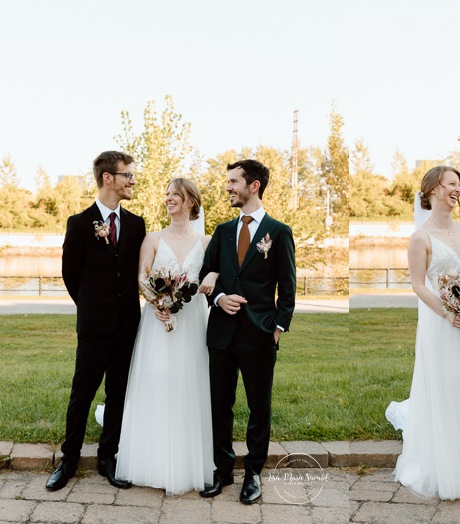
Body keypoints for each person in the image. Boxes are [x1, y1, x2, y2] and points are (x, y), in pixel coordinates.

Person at [385, 166, 460, 500]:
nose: (458, 190)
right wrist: (448, 313)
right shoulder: (420, 238)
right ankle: (445, 467)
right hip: (440, 324)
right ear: (433, 188)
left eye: (459, 185)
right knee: (447, 387)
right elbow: (417, 285)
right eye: (452, 184)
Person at [47, 151, 146, 491]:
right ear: (108, 178)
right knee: (82, 394)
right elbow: (70, 275)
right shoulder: (79, 223)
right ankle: (68, 460)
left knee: (118, 394)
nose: (132, 180)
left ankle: (108, 458)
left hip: (127, 327)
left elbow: (137, 272)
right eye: (127, 175)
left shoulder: (136, 225)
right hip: (93, 326)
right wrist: (92, 307)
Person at [199, 159, 296, 503]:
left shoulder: (279, 232)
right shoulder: (222, 232)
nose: (227, 187)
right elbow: (206, 272)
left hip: (260, 333)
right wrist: (220, 297)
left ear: (254, 186)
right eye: (228, 182)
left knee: (259, 407)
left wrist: (278, 328)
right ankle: (222, 470)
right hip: (221, 334)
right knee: (219, 404)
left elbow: (288, 287)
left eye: (233, 181)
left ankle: (253, 472)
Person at [115, 178, 218, 495]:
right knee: (155, 384)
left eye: (176, 194)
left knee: (189, 385)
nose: (169, 198)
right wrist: (157, 302)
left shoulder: (206, 242)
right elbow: (142, 279)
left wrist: (213, 275)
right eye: (167, 194)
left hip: (191, 323)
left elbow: (215, 275)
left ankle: (191, 463)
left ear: (190, 201)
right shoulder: (153, 238)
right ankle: (146, 460)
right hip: (158, 324)